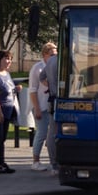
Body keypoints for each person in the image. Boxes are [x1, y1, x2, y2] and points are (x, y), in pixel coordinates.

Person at [0, 50, 21, 174]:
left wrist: (16, 89)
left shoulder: (6, 74)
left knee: (3, 138)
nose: (9, 61)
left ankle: (1, 162)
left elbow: (8, 90)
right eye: (6, 58)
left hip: (8, 110)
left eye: (10, 59)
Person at [28, 43, 57, 171]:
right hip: (41, 105)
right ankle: (35, 161)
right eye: (52, 55)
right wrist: (37, 108)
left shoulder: (55, 66)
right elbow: (33, 90)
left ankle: (53, 160)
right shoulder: (37, 68)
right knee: (41, 133)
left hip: (52, 104)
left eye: (56, 54)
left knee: (52, 134)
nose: (54, 57)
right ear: (45, 54)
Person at [41, 52, 60, 176]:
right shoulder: (64, 59)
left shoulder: (50, 61)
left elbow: (41, 77)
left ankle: (54, 164)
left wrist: (49, 85)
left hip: (52, 99)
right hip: (62, 98)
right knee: (56, 133)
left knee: (52, 132)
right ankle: (57, 163)